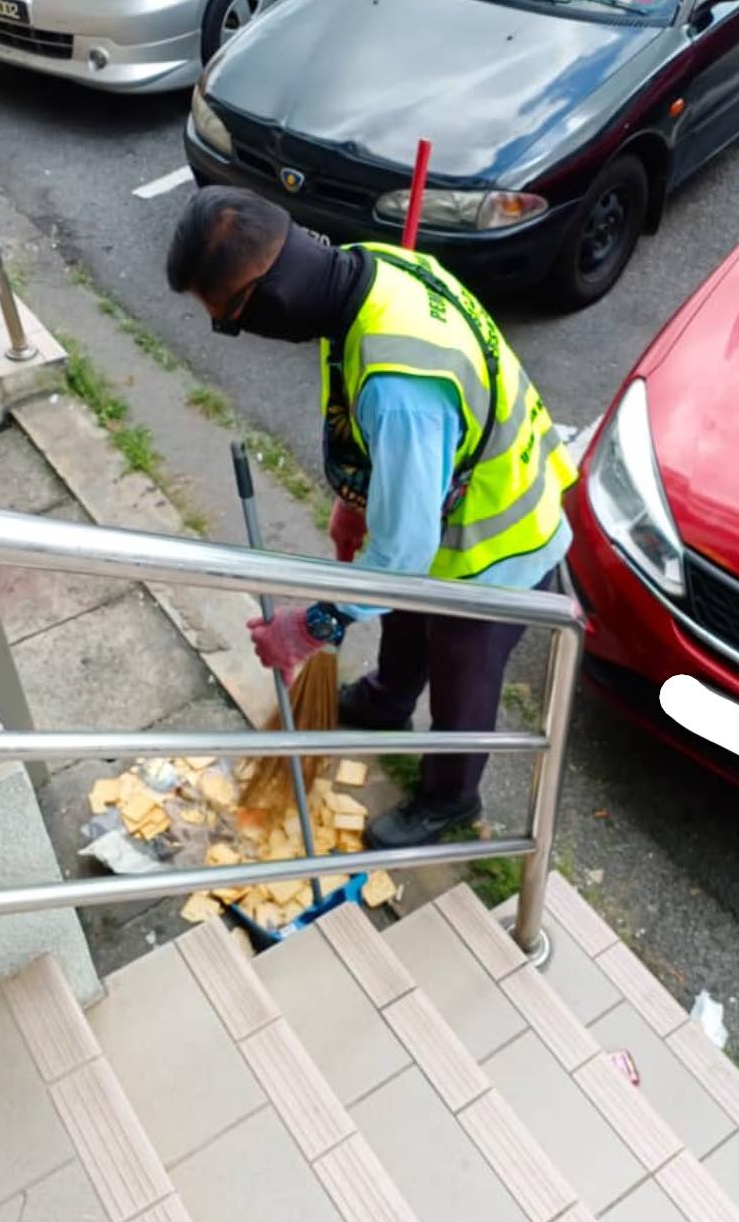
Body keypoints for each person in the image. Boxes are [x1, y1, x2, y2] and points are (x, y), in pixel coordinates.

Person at [166, 186, 577, 849]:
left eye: (230, 318)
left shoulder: (399, 386)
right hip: (447, 505)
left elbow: (405, 555)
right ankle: (387, 699)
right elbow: (370, 432)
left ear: (269, 296)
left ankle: (449, 801)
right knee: (406, 613)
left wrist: (311, 627)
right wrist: (355, 501)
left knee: (460, 677)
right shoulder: (361, 273)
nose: (234, 334)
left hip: (496, 548)